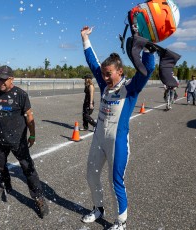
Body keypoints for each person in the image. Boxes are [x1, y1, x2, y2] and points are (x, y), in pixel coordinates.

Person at [80, 26, 155, 229]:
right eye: (103, 74)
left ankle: (121, 222)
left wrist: (148, 51)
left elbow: (147, 70)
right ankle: (98, 208)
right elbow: (92, 62)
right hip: (98, 139)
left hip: (118, 142)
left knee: (115, 183)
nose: (104, 78)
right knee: (91, 175)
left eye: (108, 74)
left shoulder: (130, 88)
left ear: (120, 71)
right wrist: (85, 38)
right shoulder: (105, 85)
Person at [0, 65, 49, 218]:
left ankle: (38, 198)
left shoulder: (21, 95)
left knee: (28, 169)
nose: (0, 82)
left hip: (18, 141)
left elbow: (30, 117)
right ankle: (5, 184)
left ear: (11, 79)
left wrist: (32, 135)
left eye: (3, 79)